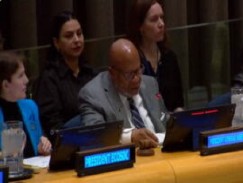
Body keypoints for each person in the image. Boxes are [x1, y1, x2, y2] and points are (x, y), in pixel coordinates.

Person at [79, 38, 169, 148]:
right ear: (112, 73)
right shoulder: (92, 95)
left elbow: (166, 121)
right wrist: (130, 137)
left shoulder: (150, 83)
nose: (136, 79)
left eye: (138, 70)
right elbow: (94, 136)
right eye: (129, 74)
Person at [33, 11, 95, 142]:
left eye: (79, 33)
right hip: (66, 145)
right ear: (56, 43)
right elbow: (51, 125)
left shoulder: (90, 73)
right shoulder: (49, 78)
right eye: (69, 36)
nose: (77, 40)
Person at [127, 0, 184, 112]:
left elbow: (179, 102)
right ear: (140, 26)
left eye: (162, 18)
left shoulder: (169, 57)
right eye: (154, 20)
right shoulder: (132, 61)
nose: (161, 24)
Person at [0, 51, 51, 157]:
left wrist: (43, 146)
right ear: (5, 85)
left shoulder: (30, 106)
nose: (26, 80)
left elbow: (38, 144)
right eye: (20, 76)